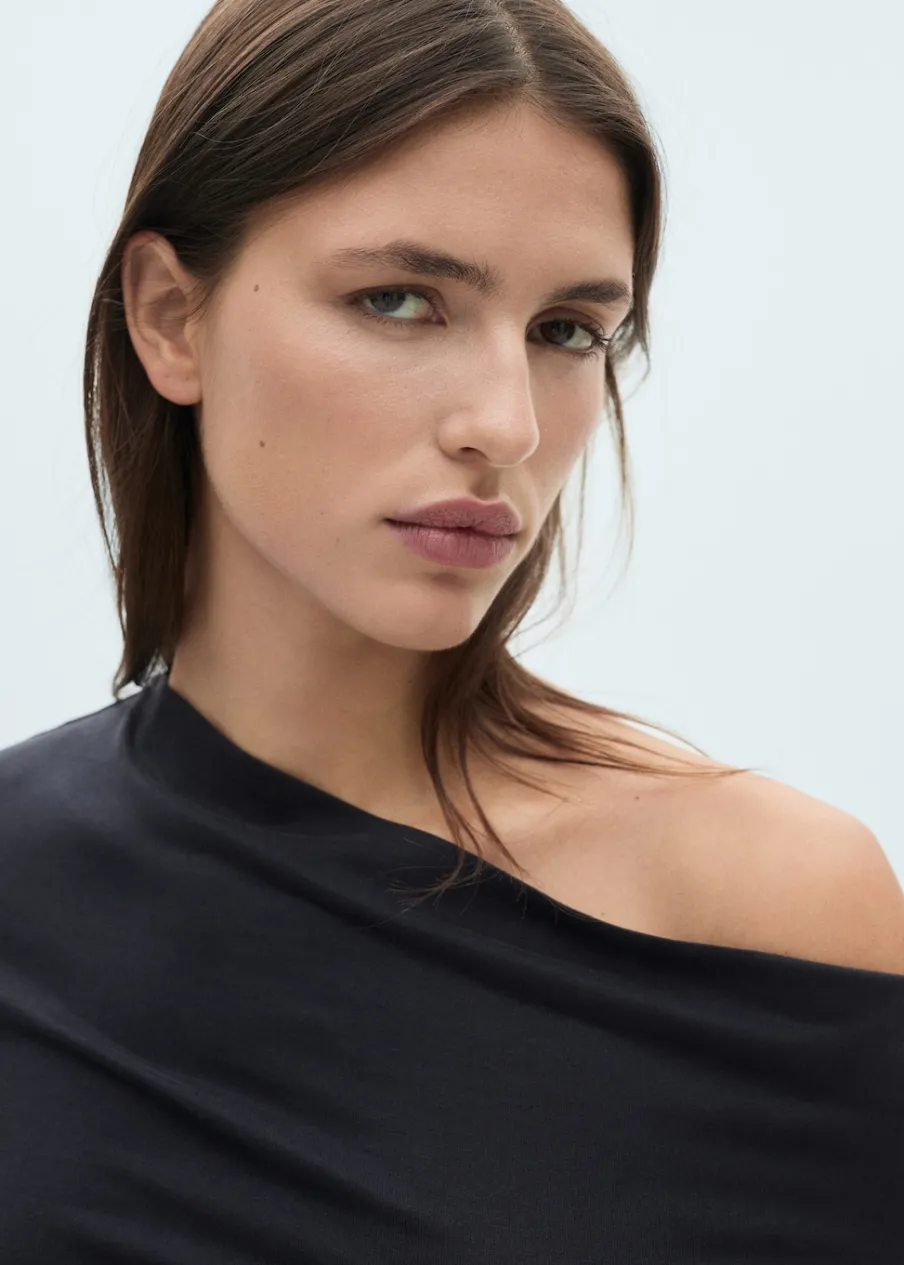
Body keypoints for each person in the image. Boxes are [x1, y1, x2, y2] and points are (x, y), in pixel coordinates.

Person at [1, 0, 902, 1260]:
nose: (505, 423)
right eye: (399, 300)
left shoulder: (764, 903)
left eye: (567, 331)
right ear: (168, 316)